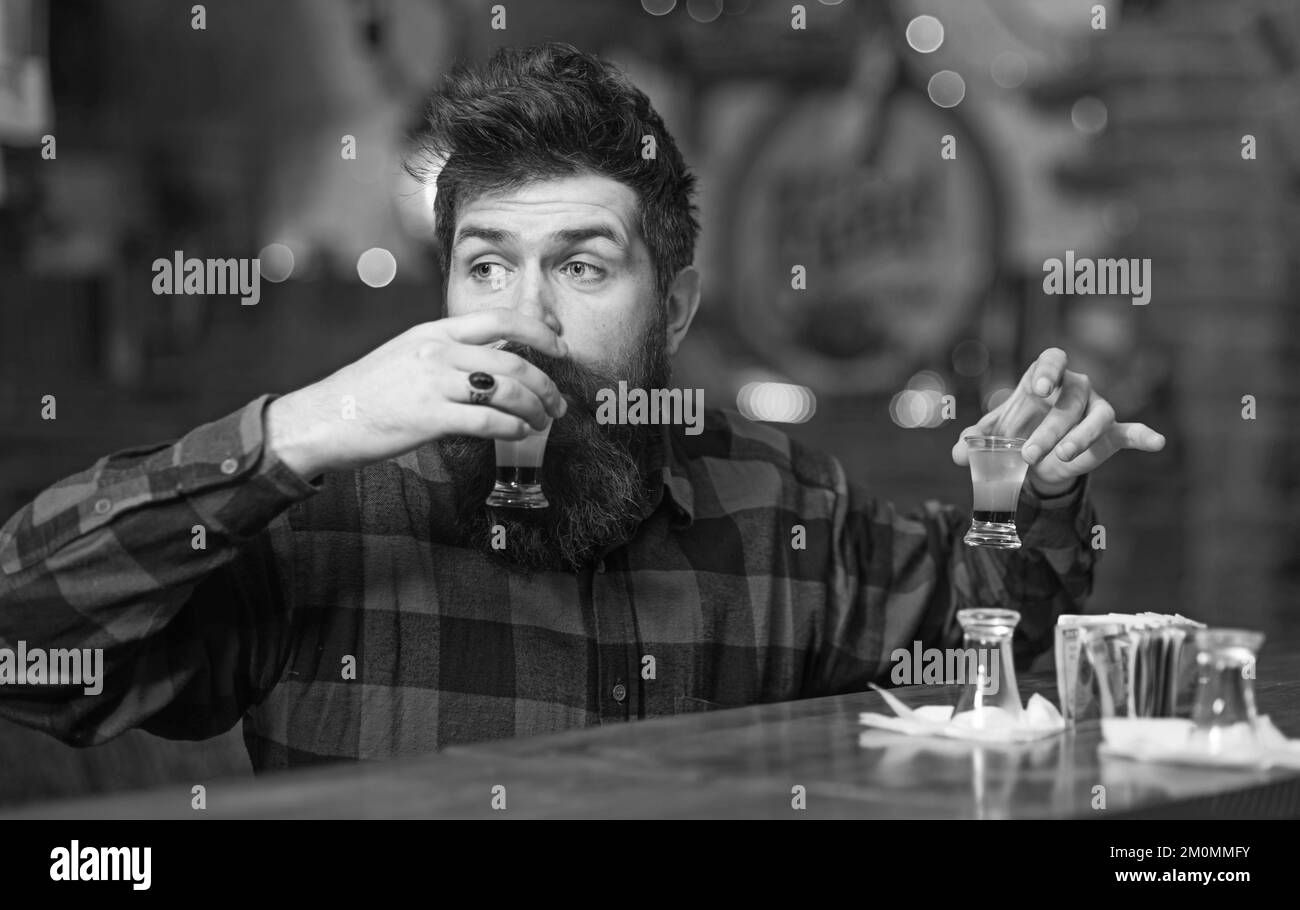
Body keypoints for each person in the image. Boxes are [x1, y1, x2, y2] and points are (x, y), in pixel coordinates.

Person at [0, 42, 1164, 772]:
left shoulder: (778, 498)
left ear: (676, 304)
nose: (526, 315)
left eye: (585, 266)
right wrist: (290, 432)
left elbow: (994, 632)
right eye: (488, 264)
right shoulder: (319, 510)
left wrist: (1034, 493)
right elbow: (22, 644)